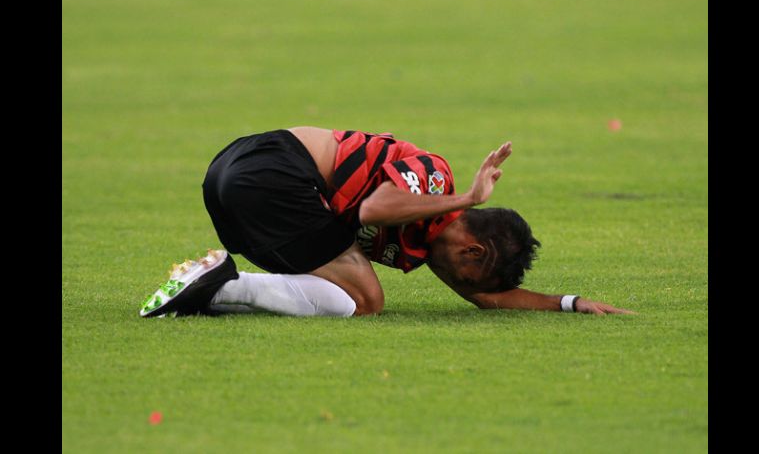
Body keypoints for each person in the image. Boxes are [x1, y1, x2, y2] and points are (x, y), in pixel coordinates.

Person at [140, 126, 635, 318]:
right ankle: (226, 283)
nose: (457, 286)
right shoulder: (436, 179)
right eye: (463, 275)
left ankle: (208, 289)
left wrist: (570, 304)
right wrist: (467, 194)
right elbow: (374, 209)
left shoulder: (436, 242)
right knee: (366, 299)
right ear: (472, 251)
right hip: (272, 171)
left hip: (233, 178)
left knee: (333, 294)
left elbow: (486, 296)